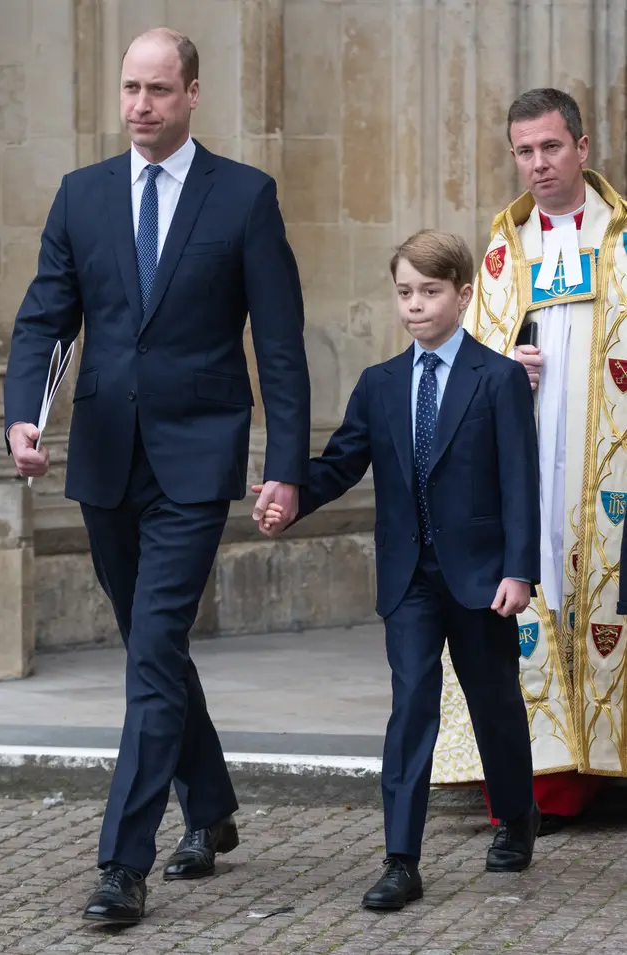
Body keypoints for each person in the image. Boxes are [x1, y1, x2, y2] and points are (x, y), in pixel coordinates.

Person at [4, 28, 310, 924]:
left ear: (193, 95)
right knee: (157, 644)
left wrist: (283, 468)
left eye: (159, 91)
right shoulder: (81, 194)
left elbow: (281, 350)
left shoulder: (246, 198)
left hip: (194, 459)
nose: (141, 106)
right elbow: (44, 320)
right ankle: (210, 807)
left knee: (148, 649)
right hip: (103, 457)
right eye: (131, 89)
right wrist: (27, 411)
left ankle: (121, 863)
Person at [255, 230, 541, 910]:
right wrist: (290, 495)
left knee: (493, 703)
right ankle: (401, 859)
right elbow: (342, 461)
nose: (415, 305)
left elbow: (519, 482)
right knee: (411, 705)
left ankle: (517, 814)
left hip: (479, 576)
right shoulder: (380, 384)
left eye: (430, 291)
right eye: (405, 292)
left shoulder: (496, 378)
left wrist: (519, 570)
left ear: (463, 294)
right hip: (408, 575)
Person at [434, 88, 627, 834]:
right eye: (524, 151)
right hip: (529, 466)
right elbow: (456, 365)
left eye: (551, 147)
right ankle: (542, 779)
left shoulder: (621, 241)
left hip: (609, 470)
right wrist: (500, 370)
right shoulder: (498, 256)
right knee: (533, 593)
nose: (538, 164)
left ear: (582, 147)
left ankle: (605, 765)